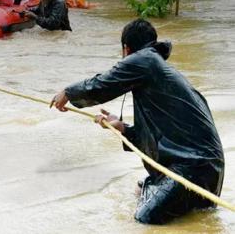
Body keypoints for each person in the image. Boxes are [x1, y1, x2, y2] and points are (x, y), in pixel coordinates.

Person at [50, 19, 225, 224]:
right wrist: (123, 128)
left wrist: (68, 93)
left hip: (193, 168)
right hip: (207, 169)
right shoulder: (155, 68)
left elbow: (103, 83)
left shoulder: (144, 60)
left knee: (144, 218)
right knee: (143, 190)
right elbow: (161, 137)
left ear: (126, 49)